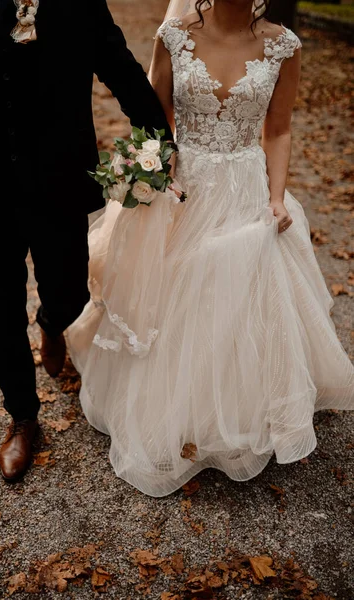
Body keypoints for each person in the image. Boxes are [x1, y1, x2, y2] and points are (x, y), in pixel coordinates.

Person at [67, 0, 354, 497]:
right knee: (176, 294)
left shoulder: (284, 45)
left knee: (239, 298)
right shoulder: (173, 35)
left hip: (245, 185)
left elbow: (280, 129)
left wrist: (277, 197)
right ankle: (174, 411)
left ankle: (237, 414)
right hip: (185, 185)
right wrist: (159, 173)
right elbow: (155, 117)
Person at [0, 0, 173, 482]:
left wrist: (159, 147)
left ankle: (51, 319)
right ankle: (23, 418)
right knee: (0, 313)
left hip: (58, 184)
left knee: (70, 292)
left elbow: (120, 68)